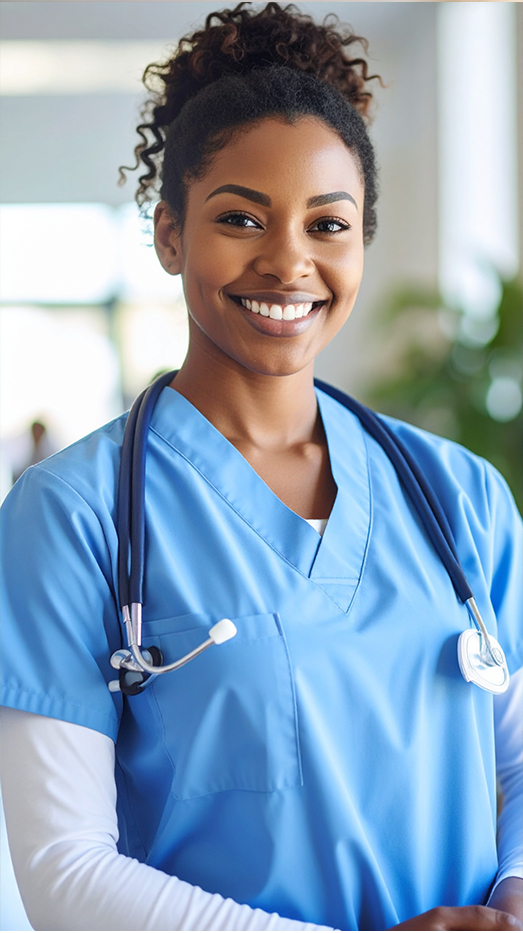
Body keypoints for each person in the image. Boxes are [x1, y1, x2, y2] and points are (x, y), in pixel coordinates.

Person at [0, 4, 521, 931]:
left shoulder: (460, 497)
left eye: (328, 224)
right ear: (168, 235)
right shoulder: (72, 515)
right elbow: (63, 874)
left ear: (360, 242)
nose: (288, 261)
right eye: (240, 217)